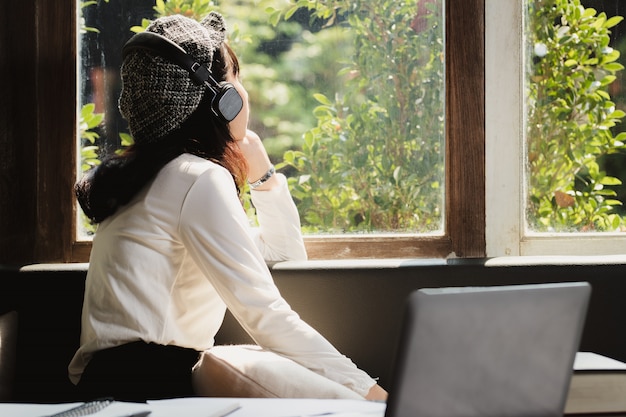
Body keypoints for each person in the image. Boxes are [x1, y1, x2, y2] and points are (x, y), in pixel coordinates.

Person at [69, 12, 387, 402]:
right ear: (222, 101)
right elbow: (264, 313)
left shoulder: (149, 178)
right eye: (236, 79)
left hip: (110, 385)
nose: (243, 92)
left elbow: (283, 253)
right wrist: (372, 393)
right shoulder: (196, 179)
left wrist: (264, 178)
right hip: (149, 387)